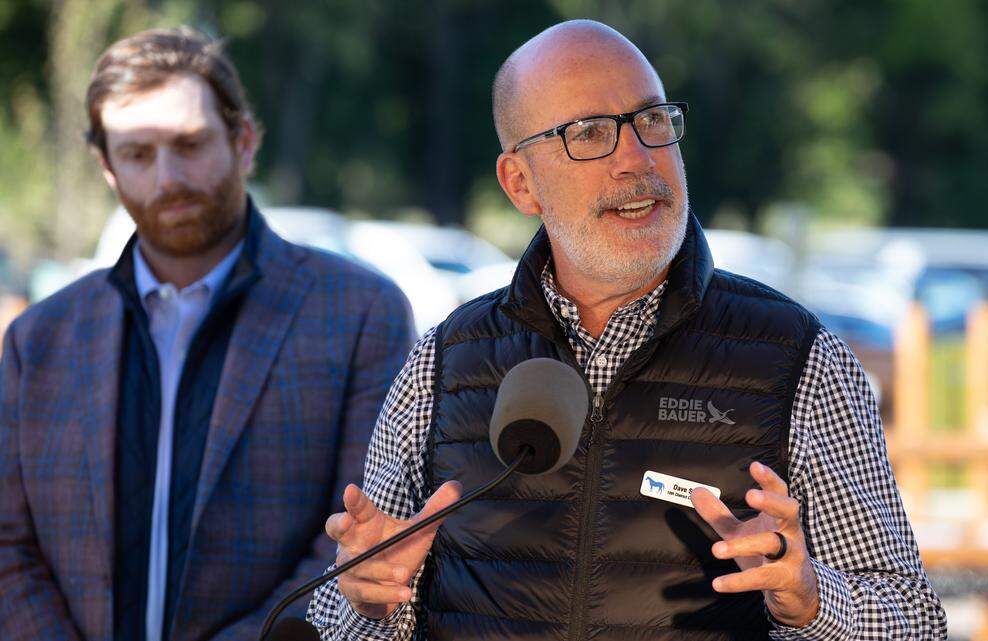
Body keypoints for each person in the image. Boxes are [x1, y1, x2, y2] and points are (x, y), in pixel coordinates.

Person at [309, 19, 947, 640]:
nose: (637, 158)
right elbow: (343, 619)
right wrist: (365, 604)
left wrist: (808, 601)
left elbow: (915, 622)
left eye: (651, 120)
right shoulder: (442, 365)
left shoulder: (801, 361)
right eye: (589, 133)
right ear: (520, 182)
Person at [0, 27, 415, 641]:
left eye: (189, 144)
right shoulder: (39, 340)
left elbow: (360, 544)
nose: (168, 178)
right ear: (107, 168)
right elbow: (8, 547)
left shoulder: (359, 313)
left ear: (243, 141)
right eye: (138, 153)